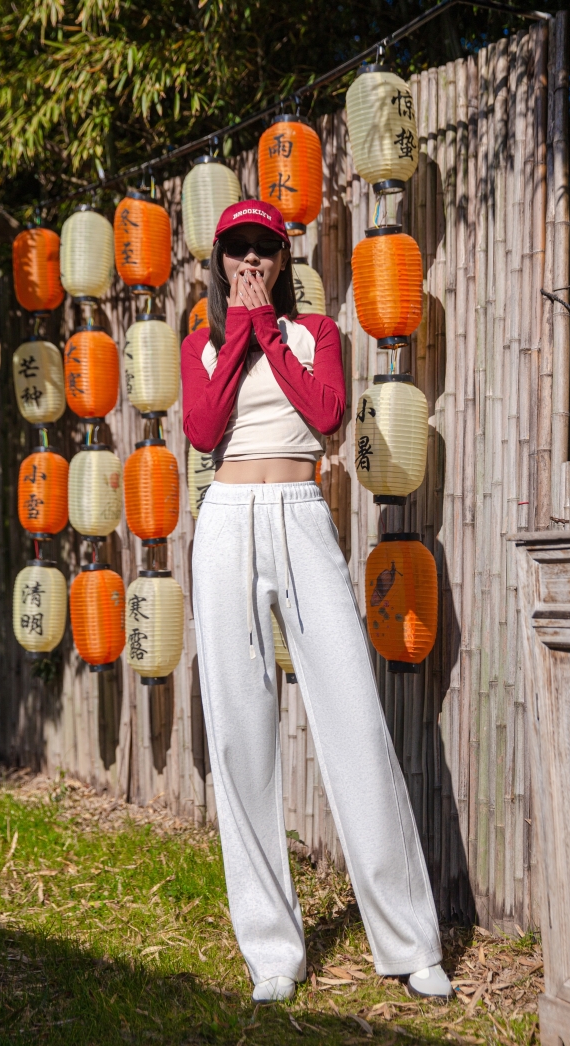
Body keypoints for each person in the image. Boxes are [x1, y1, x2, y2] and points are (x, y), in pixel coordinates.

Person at [180, 200, 452, 1004]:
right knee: (240, 731)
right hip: (227, 521)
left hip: (300, 514)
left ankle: (410, 943)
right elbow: (202, 429)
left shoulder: (315, 335)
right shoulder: (201, 344)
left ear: (283, 259)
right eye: (238, 248)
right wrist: (238, 330)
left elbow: (328, 416)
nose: (251, 259)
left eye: (264, 247)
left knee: (354, 717)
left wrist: (267, 330)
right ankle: (273, 953)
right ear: (220, 259)